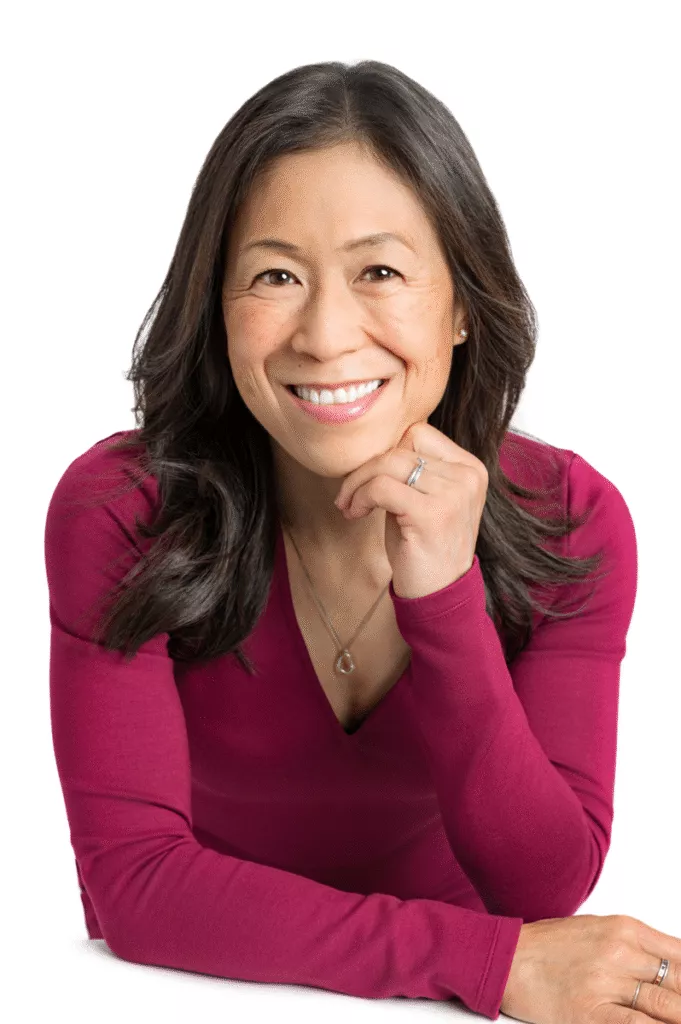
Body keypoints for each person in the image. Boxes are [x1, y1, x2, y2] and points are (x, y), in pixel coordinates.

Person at [43, 60, 679, 1022]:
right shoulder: (125, 509)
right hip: (179, 1001)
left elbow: (544, 886)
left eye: (379, 271)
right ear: (216, 309)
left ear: (463, 304)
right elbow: (133, 887)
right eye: (275, 276)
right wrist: (492, 965)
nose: (327, 333)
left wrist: (444, 593)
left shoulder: (572, 521)